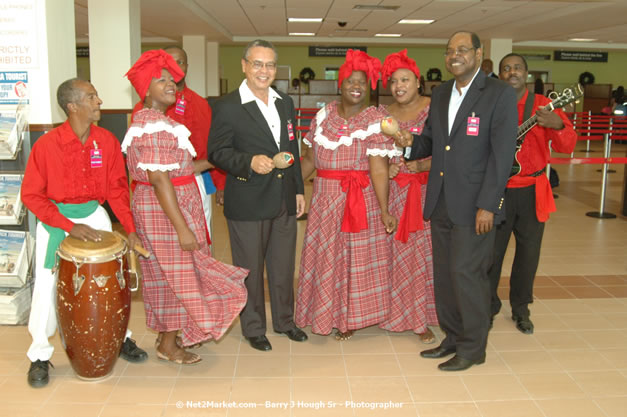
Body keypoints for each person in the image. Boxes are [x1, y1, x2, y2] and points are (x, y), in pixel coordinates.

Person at [395, 31, 518, 371]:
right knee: (447, 276)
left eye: (463, 50)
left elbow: (502, 155)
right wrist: (408, 143)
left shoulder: (499, 95)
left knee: (468, 276)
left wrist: (489, 204)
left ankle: (473, 347)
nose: (455, 56)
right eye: (450, 51)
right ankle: (452, 336)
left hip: (476, 205)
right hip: (441, 202)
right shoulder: (442, 93)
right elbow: (434, 143)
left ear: (478, 54)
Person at [123, 50, 248, 364]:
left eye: (171, 79)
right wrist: (182, 228)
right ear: (144, 90)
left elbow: (180, 169)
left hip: (169, 205)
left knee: (171, 274)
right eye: (160, 80)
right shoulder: (153, 125)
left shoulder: (156, 121)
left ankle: (172, 337)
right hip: (166, 211)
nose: (170, 84)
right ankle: (168, 343)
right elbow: (161, 180)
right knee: (178, 275)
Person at [22, 78, 148, 388]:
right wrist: (68, 226)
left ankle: (119, 340)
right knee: (47, 289)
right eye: (92, 97)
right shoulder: (47, 145)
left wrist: (130, 230)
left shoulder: (105, 141)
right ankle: (39, 354)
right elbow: (31, 195)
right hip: (56, 222)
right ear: (72, 106)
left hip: (95, 216)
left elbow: (118, 189)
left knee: (110, 285)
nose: (99, 101)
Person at [207, 39, 307, 352]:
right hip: (248, 198)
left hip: (283, 198)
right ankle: (253, 327)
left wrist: (299, 189)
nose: (264, 71)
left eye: (270, 65)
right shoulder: (227, 105)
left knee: (282, 265)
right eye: (257, 64)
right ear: (244, 66)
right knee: (249, 268)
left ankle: (285, 321)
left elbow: (292, 149)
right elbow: (217, 151)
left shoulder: (285, 102)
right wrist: (248, 162)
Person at [295, 49, 396, 341]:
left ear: (369, 87)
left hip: (359, 200)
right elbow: (311, 160)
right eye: (350, 81)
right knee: (326, 257)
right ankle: (323, 311)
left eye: (362, 83)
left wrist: (384, 208)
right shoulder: (324, 116)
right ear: (339, 84)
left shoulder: (376, 120)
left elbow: (378, 169)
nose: (356, 86)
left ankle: (349, 317)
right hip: (324, 199)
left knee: (354, 258)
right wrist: (288, 185)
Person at [488, 53, 577, 334]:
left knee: (528, 255)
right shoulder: (490, 105)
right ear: (500, 75)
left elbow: (568, 146)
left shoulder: (543, 107)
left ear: (526, 74)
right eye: (506, 68)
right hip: (497, 191)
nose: (511, 72)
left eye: (517, 68)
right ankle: (489, 305)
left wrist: (558, 125)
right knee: (492, 253)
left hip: (532, 191)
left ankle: (521, 308)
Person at [131, 46, 226, 238]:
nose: (175, 70)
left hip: (196, 178)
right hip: (159, 189)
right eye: (169, 64)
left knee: (201, 233)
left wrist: (221, 183)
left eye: (180, 62)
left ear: (187, 66)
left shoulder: (200, 104)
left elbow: (209, 145)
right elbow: (152, 172)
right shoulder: (146, 114)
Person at [378, 49, 438, 343]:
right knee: (395, 255)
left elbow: (451, 148)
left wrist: (426, 163)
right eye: (393, 81)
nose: (398, 86)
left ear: (418, 81)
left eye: (405, 79)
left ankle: (421, 316)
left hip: (427, 193)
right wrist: (387, 166)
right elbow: (375, 153)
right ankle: (393, 312)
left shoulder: (434, 108)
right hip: (394, 195)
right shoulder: (383, 114)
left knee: (423, 256)